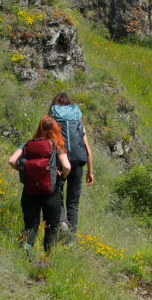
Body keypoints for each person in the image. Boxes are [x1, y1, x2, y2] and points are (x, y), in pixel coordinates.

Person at [8, 115, 71, 258]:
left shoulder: (28, 145)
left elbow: (11, 160)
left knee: (31, 225)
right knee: (52, 226)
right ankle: (47, 258)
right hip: (51, 192)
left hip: (30, 191)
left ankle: (26, 249)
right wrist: (61, 175)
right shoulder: (56, 146)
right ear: (56, 130)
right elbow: (67, 166)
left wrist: (25, 171)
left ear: (39, 128)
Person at [49, 93, 94, 235]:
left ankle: (62, 221)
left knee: (56, 193)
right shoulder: (77, 119)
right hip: (78, 161)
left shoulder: (52, 118)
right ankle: (71, 239)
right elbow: (87, 148)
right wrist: (90, 172)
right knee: (73, 203)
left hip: (60, 161)